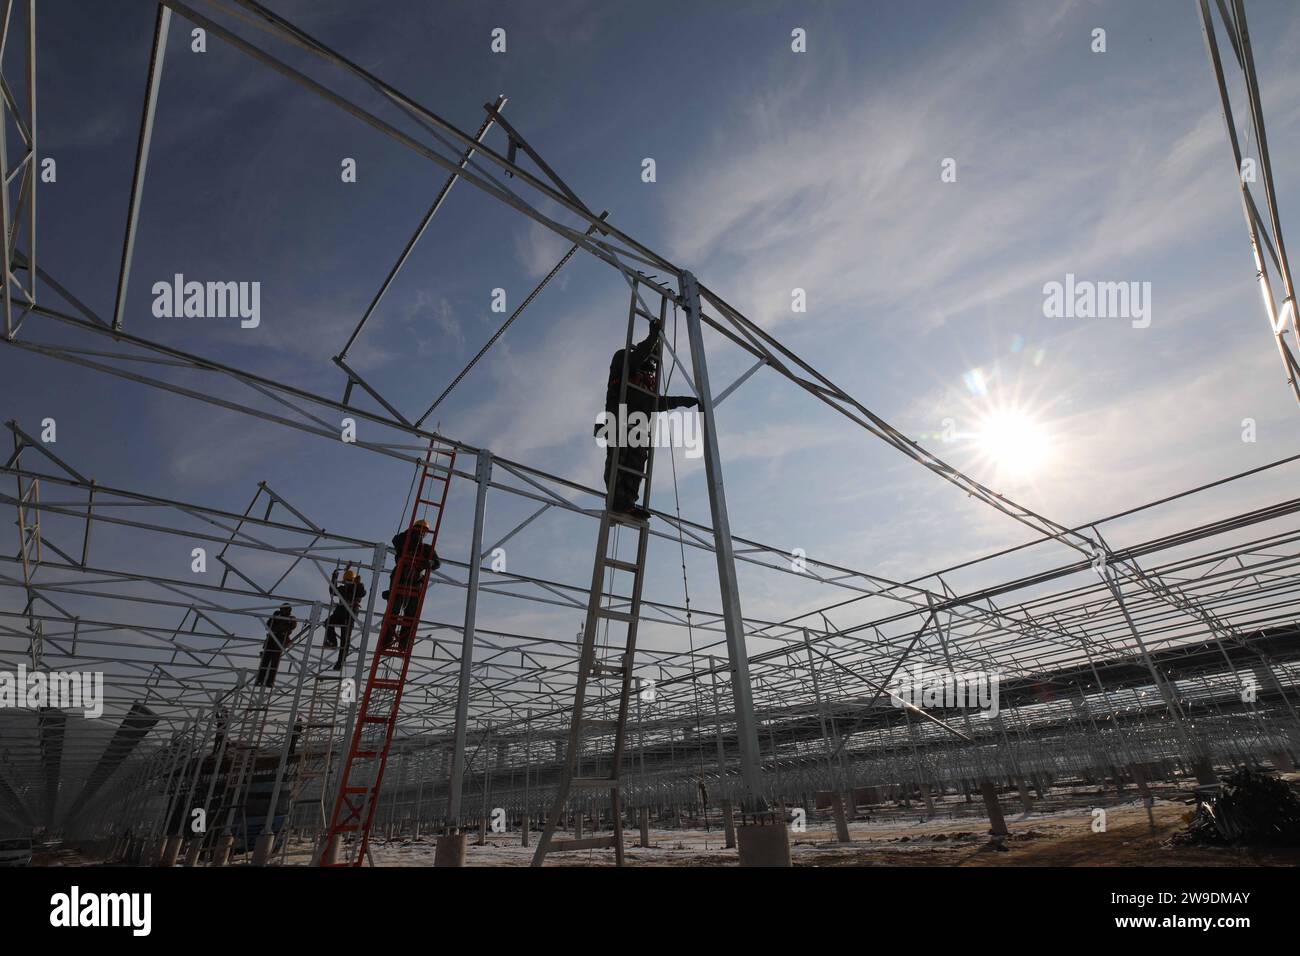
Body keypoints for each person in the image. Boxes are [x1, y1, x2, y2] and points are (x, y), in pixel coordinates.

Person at [598, 317, 698, 519]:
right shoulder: (624, 358)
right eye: (650, 359)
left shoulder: (647, 378)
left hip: (638, 424)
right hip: (619, 418)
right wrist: (653, 336)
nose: (651, 366)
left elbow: (653, 403)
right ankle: (616, 499)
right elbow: (635, 370)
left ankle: (627, 503)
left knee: (637, 462)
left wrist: (682, 401)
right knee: (619, 457)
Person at [380, 519, 441, 649]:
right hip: (400, 578)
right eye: (418, 530)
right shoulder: (404, 542)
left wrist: (430, 563)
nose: (420, 534)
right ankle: (387, 640)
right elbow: (396, 540)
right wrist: (411, 534)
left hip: (415, 583)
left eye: (422, 532)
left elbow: (437, 563)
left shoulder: (426, 549)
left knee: (410, 615)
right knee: (393, 612)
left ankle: (404, 642)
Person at [325, 567, 366, 670]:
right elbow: (333, 590)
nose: (347, 582)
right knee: (328, 622)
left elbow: (362, 593)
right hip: (340, 612)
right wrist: (334, 577)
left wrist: (359, 584)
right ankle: (333, 642)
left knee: (345, 639)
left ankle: (340, 662)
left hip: (349, 614)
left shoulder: (357, 588)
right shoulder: (343, 588)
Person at [256, 603, 297, 687]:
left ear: (289, 610)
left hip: (280, 640)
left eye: (284, 609)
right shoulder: (276, 616)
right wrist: (273, 617)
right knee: (265, 661)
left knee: (274, 663)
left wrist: (278, 627)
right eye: (282, 609)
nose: (283, 611)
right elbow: (268, 625)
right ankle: (260, 680)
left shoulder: (291, 618)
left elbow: (291, 627)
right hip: (271, 639)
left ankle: (270, 681)